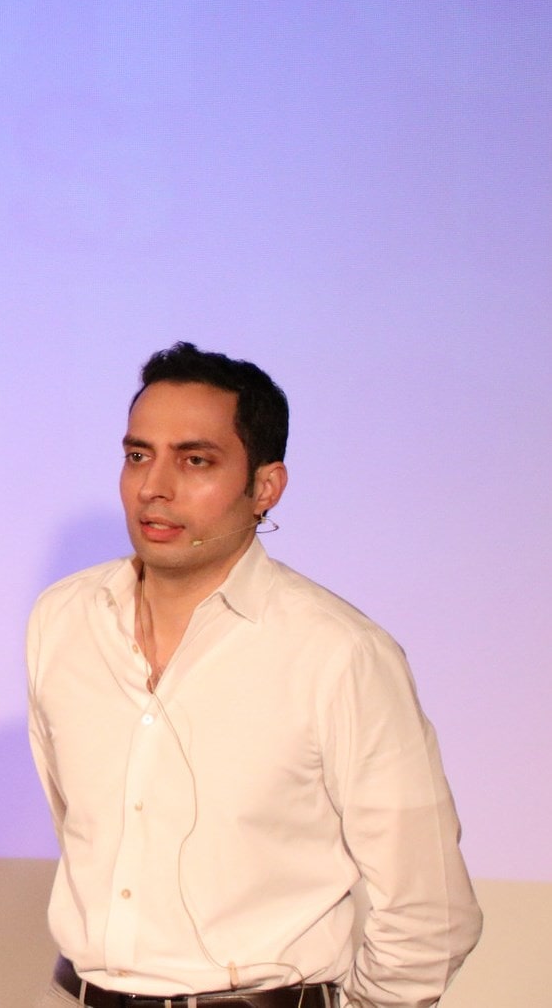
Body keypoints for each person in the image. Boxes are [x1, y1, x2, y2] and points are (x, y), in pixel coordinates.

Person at [26, 343, 480, 1008]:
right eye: (138, 455)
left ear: (264, 487)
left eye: (195, 461)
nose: (154, 487)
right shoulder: (63, 619)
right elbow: (81, 832)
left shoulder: (338, 654)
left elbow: (430, 911)